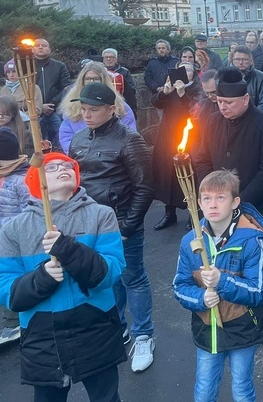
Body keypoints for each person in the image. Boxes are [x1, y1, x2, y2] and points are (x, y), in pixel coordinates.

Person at [0, 152, 126, 401]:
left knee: (106, 396)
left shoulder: (101, 215)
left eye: (68, 165)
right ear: (36, 178)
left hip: (95, 329)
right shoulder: (15, 228)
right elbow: (3, 288)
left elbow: (111, 272)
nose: (63, 168)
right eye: (52, 167)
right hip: (44, 338)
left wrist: (68, 249)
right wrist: (40, 279)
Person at [194, 68, 263, 334]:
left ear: (245, 99)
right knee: (232, 267)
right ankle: (238, 317)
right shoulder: (211, 121)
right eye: (219, 101)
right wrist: (211, 193)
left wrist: (239, 201)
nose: (222, 107)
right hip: (223, 211)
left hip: (261, 210)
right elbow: (202, 157)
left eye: (228, 103)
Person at [68, 82, 155, 372]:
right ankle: (117, 326)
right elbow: (75, 184)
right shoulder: (78, 139)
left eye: (93, 110)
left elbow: (145, 187)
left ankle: (143, 334)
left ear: (111, 109)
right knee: (105, 278)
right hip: (88, 223)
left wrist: (128, 227)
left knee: (132, 277)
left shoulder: (129, 139)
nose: (87, 115)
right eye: (83, 110)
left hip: (120, 222)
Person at [173, 170, 263, 402]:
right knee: (204, 390)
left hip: (242, 329)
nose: (213, 204)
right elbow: (179, 286)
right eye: (207, 198)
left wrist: (222, 282)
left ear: (235, 202)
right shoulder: (190, 242)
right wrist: (200, 299)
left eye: (221, 198)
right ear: (198, 203)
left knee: (242, 389)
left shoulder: (252, 242)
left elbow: (259, 292)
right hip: (208, 331)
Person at [152, 62, 204, 231]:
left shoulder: (197, 89)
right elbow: (156, 103)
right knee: (168, 176)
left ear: (193, 73)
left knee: (190, 175)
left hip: (189, 137)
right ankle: (169, 213)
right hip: (168, 137)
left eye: (188, 69)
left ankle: (193, 213)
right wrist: (165, 93)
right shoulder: (170, 89)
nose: (184, 72)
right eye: (181, 68)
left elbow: (196, 110)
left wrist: (182, 94)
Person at [0, 128, 30, 348]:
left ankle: (15, 322)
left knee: (13, 277)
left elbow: (29, 212)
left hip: (15, 240)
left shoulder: (21, 180)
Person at [58, 61, 136, 154]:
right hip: (81, 157)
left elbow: (130, 134)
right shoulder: (72, 105)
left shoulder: (120, 106)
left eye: (96, 79)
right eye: (88, 79)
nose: (91, 82)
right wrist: (79, 155)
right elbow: (66, 136)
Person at [31, 38, 71, 149]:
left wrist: (52, 104)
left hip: (56, 110)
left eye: (44, 45)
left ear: (49, 49)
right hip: (35, 111)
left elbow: (67, 87)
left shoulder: (60, 66)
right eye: (37, 45)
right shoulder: (27, 67)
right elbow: (23, 88)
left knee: (60, 139)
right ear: (32, 49)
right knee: (38, 141)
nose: (40, 47)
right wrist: (40, 106)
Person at [231, 45, 263, 113]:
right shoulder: (225, 77)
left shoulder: (262, 79)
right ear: (232, 60)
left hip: (255, 119)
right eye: (237, 59)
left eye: (245, 59)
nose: (241, 62)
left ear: (251, 61)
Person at [101, 48, 138, 114]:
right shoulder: (99, 72)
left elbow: (131, 90)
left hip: (121, 103)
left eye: (111, 57)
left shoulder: (124, 72)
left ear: (116, 59)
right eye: (106, 57)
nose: (108, 59)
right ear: (103, 60)